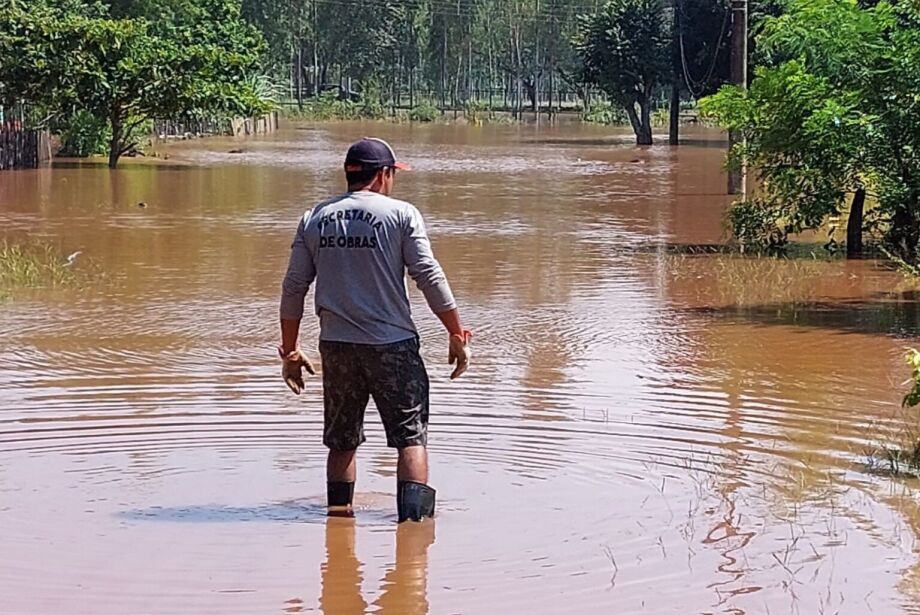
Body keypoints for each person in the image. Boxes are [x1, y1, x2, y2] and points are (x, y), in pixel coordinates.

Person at [278, 137, 471, 523]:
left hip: (336, 345)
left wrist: (290, 349)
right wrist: (456, 330)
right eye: (393, 174)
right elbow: (428, 275)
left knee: (342, 441)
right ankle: (413, 540)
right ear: (383, 175)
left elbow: (294, 286)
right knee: (411, 438)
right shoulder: (401, 215)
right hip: (392, 344)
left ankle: (338, 527)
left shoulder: (313, 217)